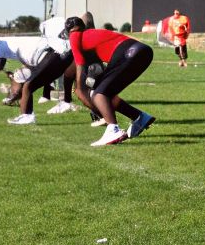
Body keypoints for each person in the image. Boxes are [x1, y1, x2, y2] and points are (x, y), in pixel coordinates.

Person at [65, 17, 158, 147]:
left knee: (98, 94)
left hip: (127, 53)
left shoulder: (74, 36)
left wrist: (79, 89)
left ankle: (113, 129)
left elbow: (79, 65)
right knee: (105, 93)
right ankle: (139, 117)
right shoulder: (91, 34)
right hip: (142, 51)